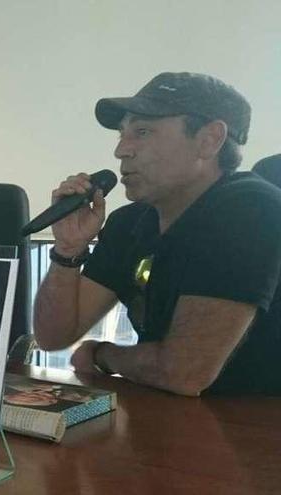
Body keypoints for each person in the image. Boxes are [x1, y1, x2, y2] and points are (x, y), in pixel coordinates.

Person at [33, 72, 281, 396]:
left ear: (209, 140)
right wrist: (67, 251)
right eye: (122, 134)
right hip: (171, 420)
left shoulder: (251, 208)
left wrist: (102, 355)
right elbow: (53, 337)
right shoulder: (129, 223)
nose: (121, 150)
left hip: (254, 431)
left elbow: (183, 371)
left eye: (143, 131)